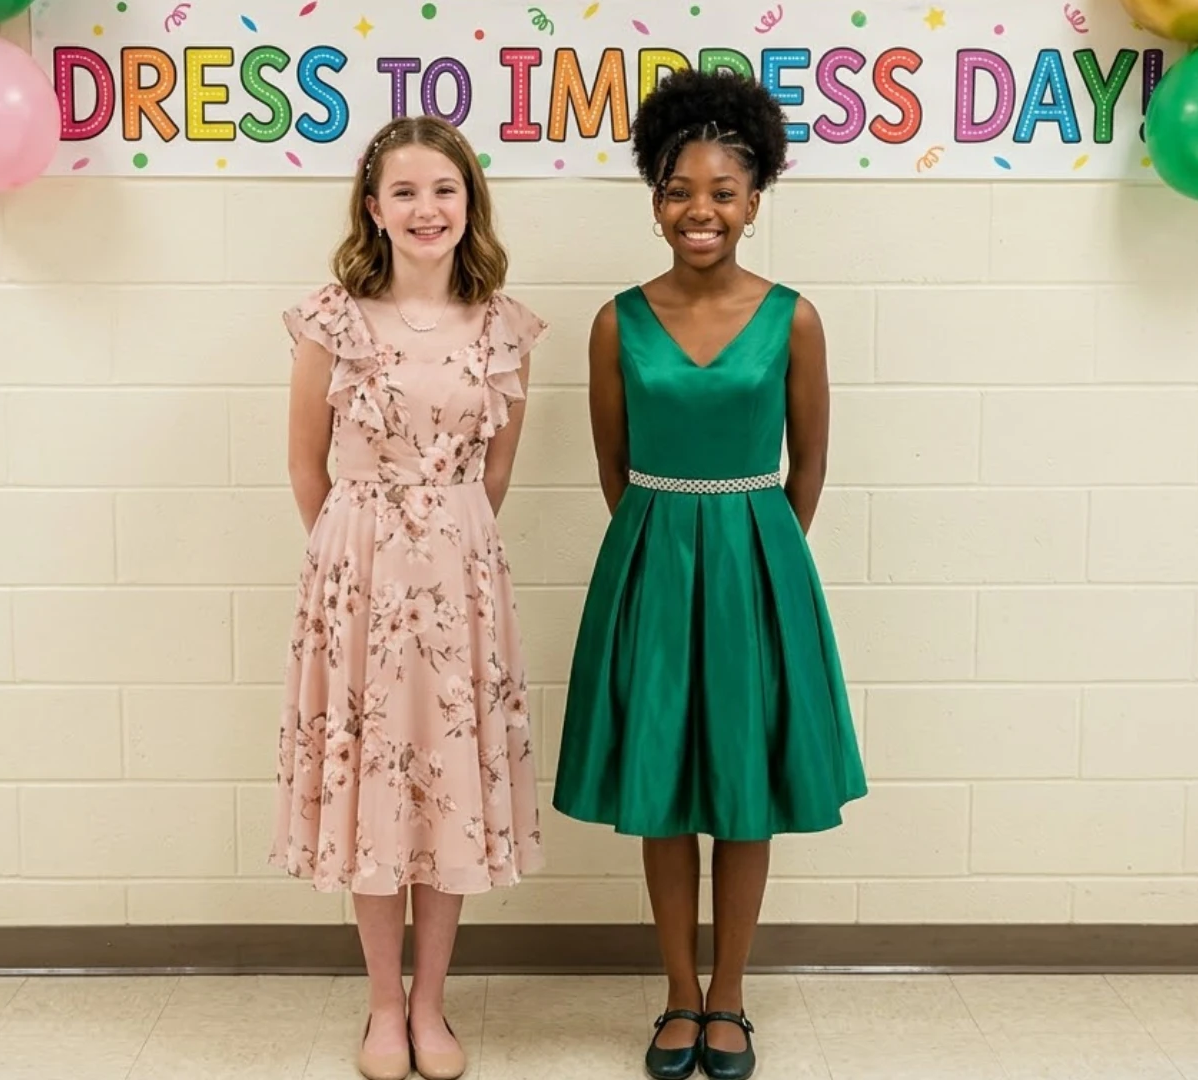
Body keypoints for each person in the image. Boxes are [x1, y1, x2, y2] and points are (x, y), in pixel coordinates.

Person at [553, 69, 868, 1080]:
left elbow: (810, 463)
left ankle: (730, 999)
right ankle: (677, 998)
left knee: (741, 792)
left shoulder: (795, 318)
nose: (701, 210)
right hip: (651, 563)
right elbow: (613, 466)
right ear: (655, 202)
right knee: (663, 788)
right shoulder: (616, 322)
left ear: (755, 202)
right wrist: (670, 543)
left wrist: (758, 554)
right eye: (680, 190)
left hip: (755, 572)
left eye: (723, 191)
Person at [271, 115, 548, 1080]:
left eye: (444, 189)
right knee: (378, 791)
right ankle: (383, 1008)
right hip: (360, 577)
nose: (426, 209)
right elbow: (307, 464)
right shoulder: (331, 321)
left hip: (462, 580)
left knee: (450, 791)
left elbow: (496, 469)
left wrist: (441, 536)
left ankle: (433, 1007)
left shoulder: (505, 326)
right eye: (404, 192)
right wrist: (366, 551)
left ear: (469, 202)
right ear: (373, 208)